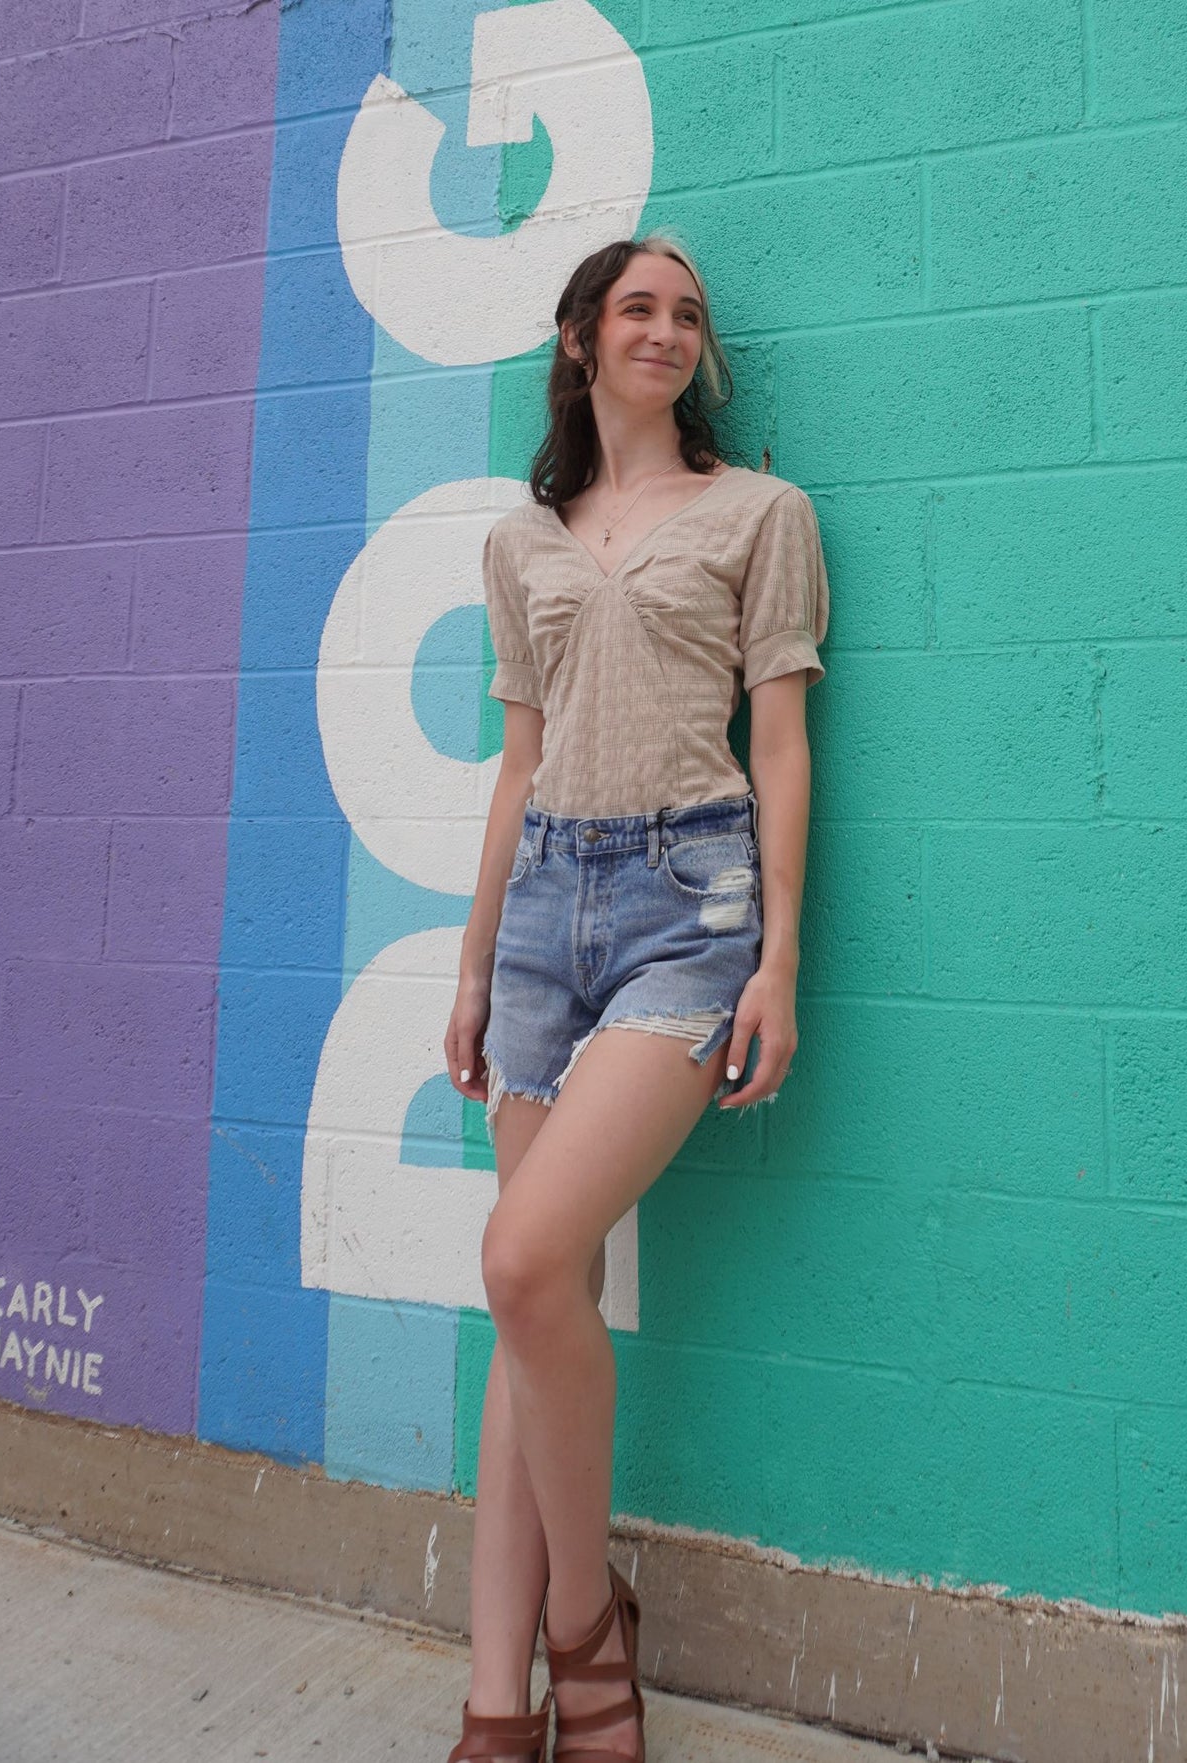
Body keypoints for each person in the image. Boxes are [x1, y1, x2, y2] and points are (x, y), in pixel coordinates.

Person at [444, 230, 830, 1763]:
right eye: (638, 309)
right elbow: (517, 766)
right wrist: (474, 962)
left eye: (688, 316)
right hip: (543, 915)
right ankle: (494, 1703)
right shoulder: (520, 542)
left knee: (527, 1262)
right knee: (533, 1303)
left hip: (689, 912)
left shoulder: (759, 514)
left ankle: (581, 1634)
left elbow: (783, 746)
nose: (667, 331)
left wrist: (778, 959)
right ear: (579, 343)